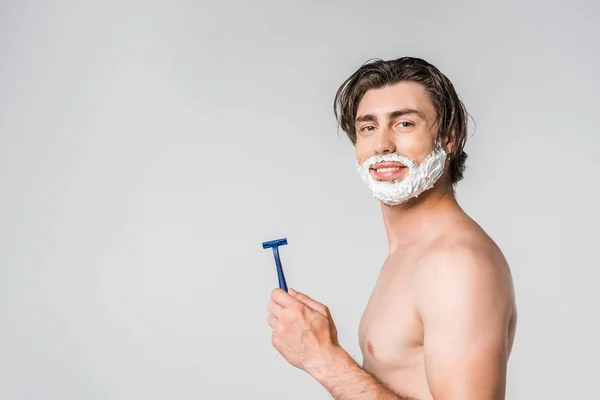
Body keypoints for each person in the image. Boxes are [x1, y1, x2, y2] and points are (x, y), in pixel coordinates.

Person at [266, 57, 517, 400]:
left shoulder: (455, 264)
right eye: (368, 127)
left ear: (449, 138)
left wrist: (323, 359)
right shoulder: (412, 253)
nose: (382, 144)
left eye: (404, 124)